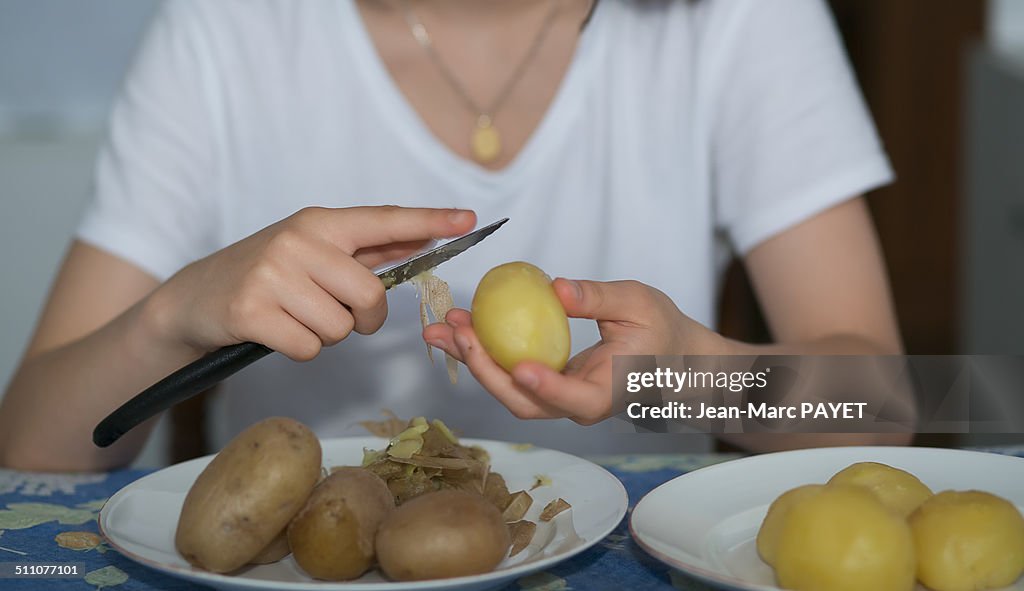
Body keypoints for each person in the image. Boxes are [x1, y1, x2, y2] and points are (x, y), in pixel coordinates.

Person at [0, 0, 909, 472]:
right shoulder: (223, 32)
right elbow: (30, 451)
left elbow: (883, 414)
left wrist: (691, 377)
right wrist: (172, 318)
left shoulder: (742, 19)